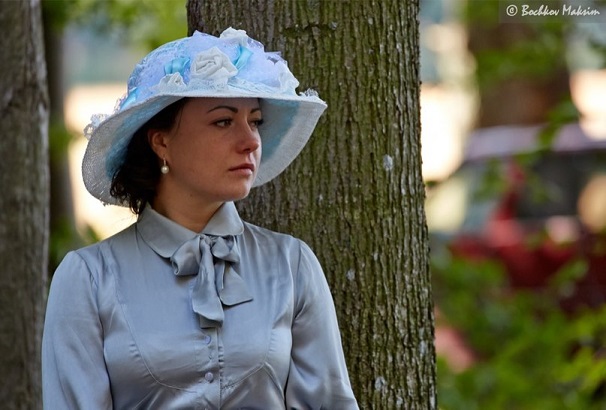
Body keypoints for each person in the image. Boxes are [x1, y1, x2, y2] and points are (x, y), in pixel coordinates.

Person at [42, 28, 359, 409]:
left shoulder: (291, 266)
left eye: (255, 121)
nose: (250, 141)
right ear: (161, 141)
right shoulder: (89, 279)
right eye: (223, 121)